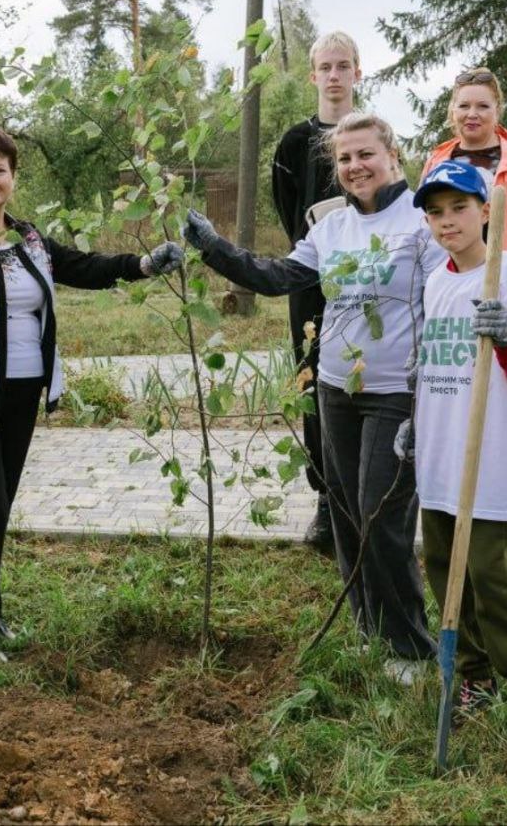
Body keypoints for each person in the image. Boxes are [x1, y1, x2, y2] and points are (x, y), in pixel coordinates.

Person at [185, 112, 445, 683]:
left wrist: (428, 402)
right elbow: (278, 276)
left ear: (392, 155)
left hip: (395, 393)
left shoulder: (422, 222)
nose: (354, 166)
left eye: (365, 154)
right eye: (345, 158)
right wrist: (214, 248)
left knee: (384, 517)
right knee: (349, 516)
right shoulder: (330, 229)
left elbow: (441, 307)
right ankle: (367, 630)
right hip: (335, 390)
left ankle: (412, 648)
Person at [0, 124, 183, 660]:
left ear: (13, 177)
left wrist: (144, 264)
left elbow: (85, 267)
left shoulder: (28, 240)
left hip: (20, 394)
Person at [396, 159, 507, 751]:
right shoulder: (438, 281)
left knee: (492, 579)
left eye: (459, 209)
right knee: (447, 572)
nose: (447, 222)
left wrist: (505, 337)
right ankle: (473, 679)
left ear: (484, 211)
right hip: (442, 453)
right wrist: (415, 423)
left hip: (490, 454)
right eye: (436, 212)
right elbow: (435, 365)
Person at [421, 68, 507, 564]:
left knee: (503, 418)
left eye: (482, 105)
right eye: (463, 105)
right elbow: (428, 236)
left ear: (497, 111)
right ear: (452, 111)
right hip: (459, 291)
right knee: (461, 408)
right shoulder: (438, 160)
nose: (472, 114)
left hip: (506, 290)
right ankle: (460, 511)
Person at [270, 31, 360, 556]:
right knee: (313, 385)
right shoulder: (294, 143)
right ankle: (327, 502)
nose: (333, 76)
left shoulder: (372, 136)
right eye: (324, 67)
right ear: (312, 75)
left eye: (342, 66)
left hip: (367, 284)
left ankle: (361, 497)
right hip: (311, 284)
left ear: (357, 73)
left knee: (365, 378)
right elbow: (288, 208)